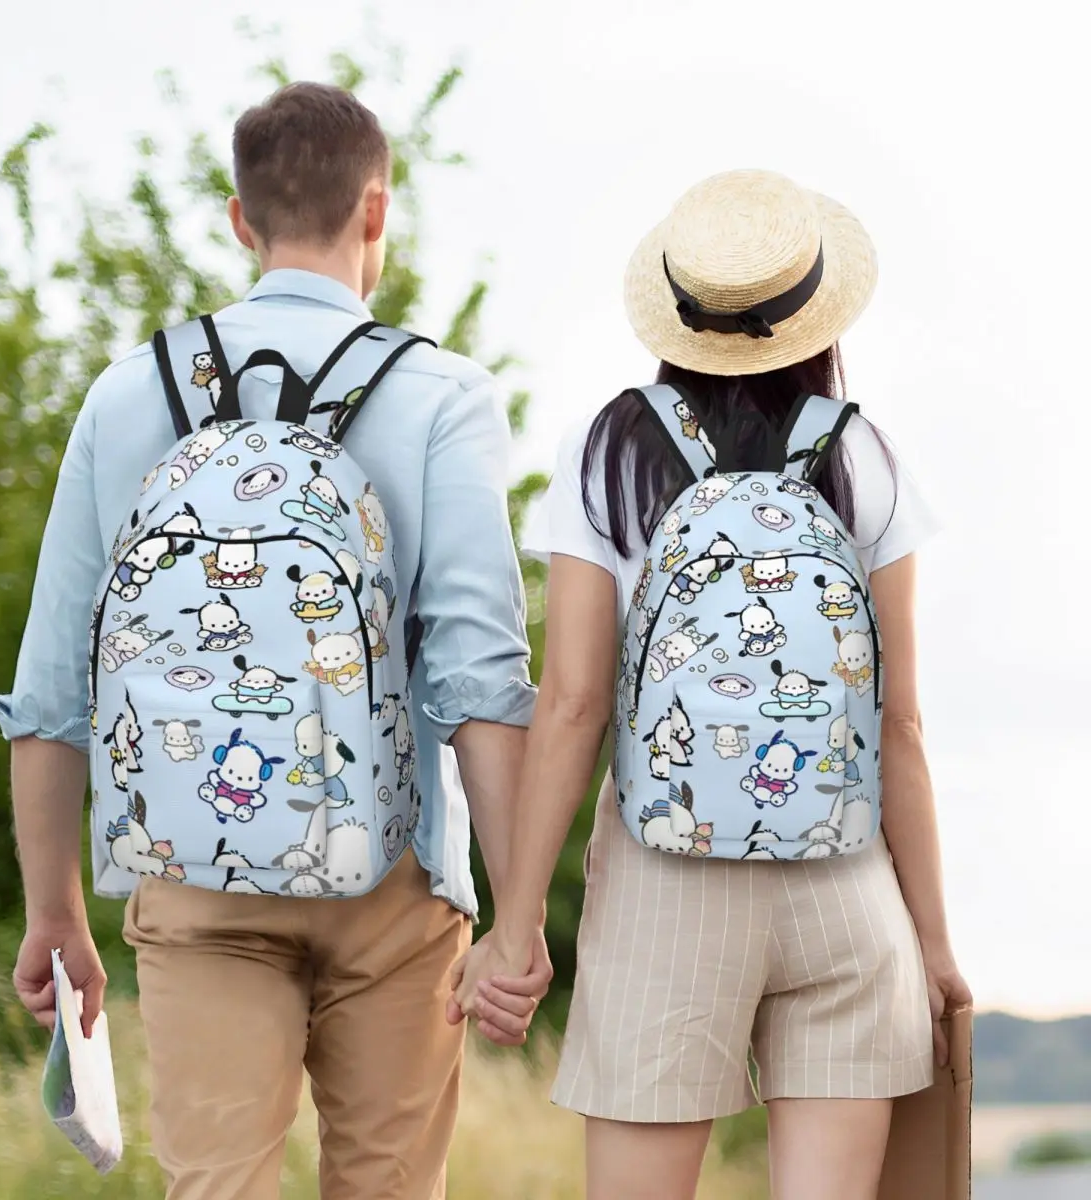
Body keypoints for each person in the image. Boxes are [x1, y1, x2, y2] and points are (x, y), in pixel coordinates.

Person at [0, 81, 550, 1200]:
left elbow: (54, 685)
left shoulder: (127, 394)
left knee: (217, 1186)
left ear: (241, 220)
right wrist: (518, 915)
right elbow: (481, 679)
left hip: (192, 874)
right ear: (377, 213)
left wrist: (53, 912)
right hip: (395, 876)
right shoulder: (442, 394)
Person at [451, 169, 972, 1200]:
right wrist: (934, 944)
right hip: (846, 885)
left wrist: (514, 928)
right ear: (815, 314)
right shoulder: (865, 455)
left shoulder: (609, 450)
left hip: (664, 885)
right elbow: (900, 722)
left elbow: (573, 705)